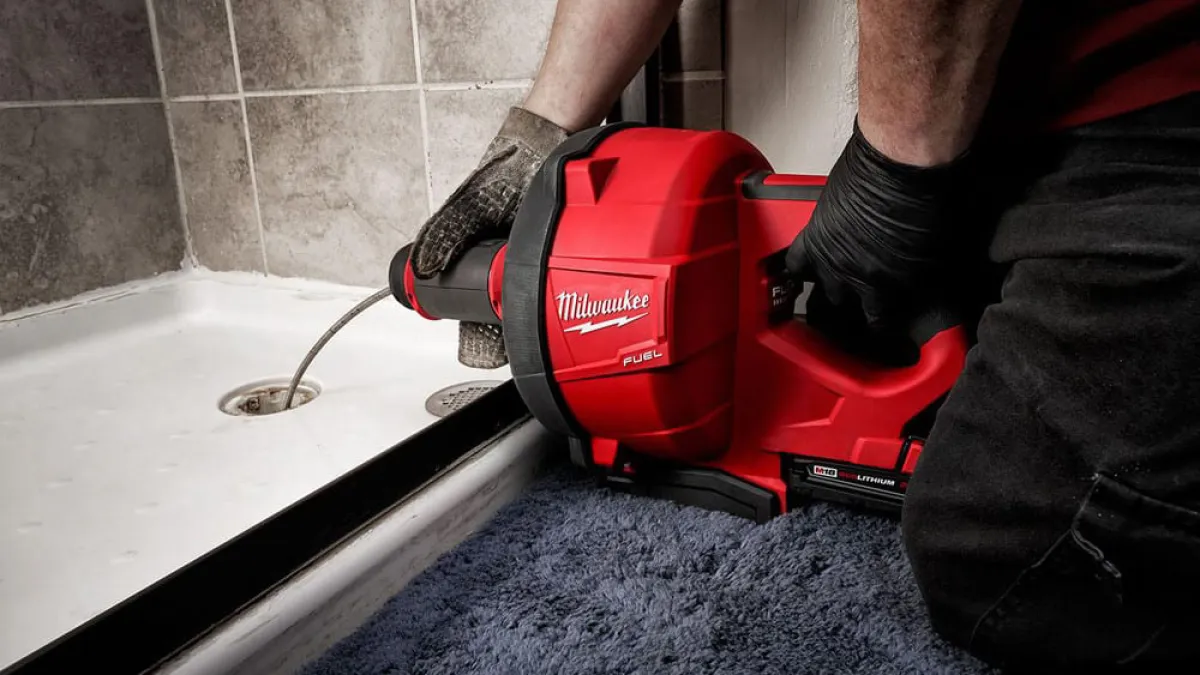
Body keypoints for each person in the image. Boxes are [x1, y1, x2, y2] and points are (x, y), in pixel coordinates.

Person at [408, 0, 1200, 670]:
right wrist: (540, 133)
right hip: (1015, 122)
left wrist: (896, 172)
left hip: (1159, 114)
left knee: (1009, 547)